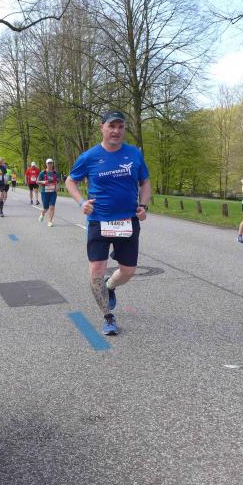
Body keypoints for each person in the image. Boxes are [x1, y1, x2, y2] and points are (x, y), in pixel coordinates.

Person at [65, 110, 150, 336]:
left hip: (127, 221)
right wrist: (81, 202)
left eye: (120, 126)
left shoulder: (134, 154)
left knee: (128, 271)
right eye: (111, 126)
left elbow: (145, 181)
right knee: (96, 271)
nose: (116, 131)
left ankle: (110, 286)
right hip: (99, 221)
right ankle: (108, 317)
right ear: (102, 127)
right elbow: (70, 181)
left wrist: (144, 206)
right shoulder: (89, 157)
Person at [38, 158, 60, 227]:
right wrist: (43, 182)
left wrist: (58, 187)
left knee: (52, 207)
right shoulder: (42, 173)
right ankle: (42, 213)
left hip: (53, 192)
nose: (50, 165)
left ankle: (50, 221)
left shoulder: (56, 173)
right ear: (46, 164)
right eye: (48, 163)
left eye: (51, 163)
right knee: (46, 208)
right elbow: (37, 181)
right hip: (44, 192)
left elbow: (58, 182)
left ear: (52, 164)